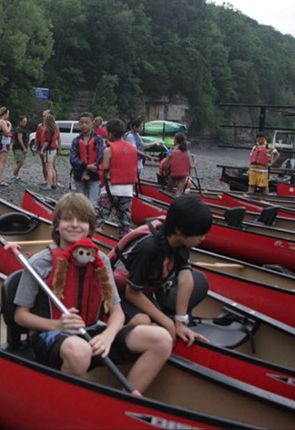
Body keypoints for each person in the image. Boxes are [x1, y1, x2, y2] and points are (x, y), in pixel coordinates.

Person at [13, 193, 171, 393]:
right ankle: (64, 400)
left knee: (161, 339)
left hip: (93, 333)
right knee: (80, 351)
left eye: (82, 220)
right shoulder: (40, 263)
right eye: (67, 219)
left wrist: (108, 336)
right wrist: (57, 324)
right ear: (57, 225)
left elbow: (117, 312)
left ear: (90, 227)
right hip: (51, 335)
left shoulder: (101, 261)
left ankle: (125, 399)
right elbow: (21, 315)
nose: (75, 225)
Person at [112, 196, 212, 346]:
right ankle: (116, 342)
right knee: (145, 321)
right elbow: (132, 292)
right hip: (118, 293)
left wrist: (179, 322)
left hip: (143, 291)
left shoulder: (181, 244)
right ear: (179, 230)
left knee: (165, 326)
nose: (202, 238)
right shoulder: (148, 248)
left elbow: (185, 279)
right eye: (199, 234)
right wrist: (167, 322)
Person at [96, 118, 137, 236]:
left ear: (110, 134)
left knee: (98, 221)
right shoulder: (132, 149)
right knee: (125, 225)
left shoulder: (109, 150)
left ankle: (97, 242)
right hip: (127, 191)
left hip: (110, 189)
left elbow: (103, 171)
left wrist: (102, 186)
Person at [69, 112, 104, 207]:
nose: (84, 125)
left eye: (87, 122)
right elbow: (72, 159)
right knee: (80, 203)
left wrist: (89, 173)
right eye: (82, 123)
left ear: (92, 124)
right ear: (79, 124)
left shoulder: (99, 140)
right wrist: (85, 166)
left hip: (94, 176)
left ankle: (91, 221)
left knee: (93, 203)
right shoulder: (76, 141)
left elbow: (100, 158)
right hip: (79, 175)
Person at [0, 107, 12, 187]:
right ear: (5, 114)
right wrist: (10, 125)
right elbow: (7, 131)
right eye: (8, 114)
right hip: (3, 142)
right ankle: (0, 180)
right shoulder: (2, 121)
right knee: (2, 161)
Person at [40, 113, 60, 191]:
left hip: (49, 150)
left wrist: (42, 149)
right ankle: (54, 183)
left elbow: (47, 141)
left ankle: (49, 184)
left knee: (49, 168)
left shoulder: (48, 130)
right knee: (52, 168)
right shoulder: (55, 129)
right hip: (53, 149)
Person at [35, 110, 51, 185]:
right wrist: (35, 146)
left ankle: (51, 179)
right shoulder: (40, 126)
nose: (44, 117)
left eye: (45, 116)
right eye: (43, 116)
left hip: (49, 146)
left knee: (50, 164)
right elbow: (37, 136)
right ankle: (45, 179)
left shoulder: (51, 126)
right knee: (43, 163)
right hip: (40, 145)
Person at [11, 115, 29, 182]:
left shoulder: (22, 129)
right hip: (18, 147)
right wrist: (24, 148)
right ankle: (13, 175)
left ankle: (16, 175)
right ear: (20, 121)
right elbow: (20, 139)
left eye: (26, 121)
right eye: (24, 121)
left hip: (19, 147)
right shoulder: (19, 129)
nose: (25, 123)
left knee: (19, 161)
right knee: (20, 162)